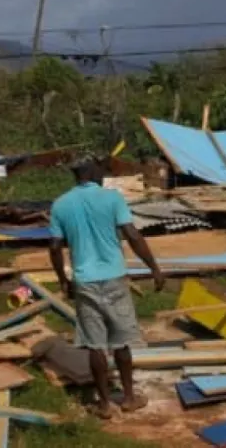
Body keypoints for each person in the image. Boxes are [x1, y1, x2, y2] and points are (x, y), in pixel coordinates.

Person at [48, 157, 165, 419]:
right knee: (121, 341)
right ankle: (129, 398)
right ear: (92, 172)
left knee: (95, 345)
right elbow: (132, 234)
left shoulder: (61, 204)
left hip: (84, 281)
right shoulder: (112, 198)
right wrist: (154, 268)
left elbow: (54, 247)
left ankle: (103, 405)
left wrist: (63, 280)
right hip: (114, 277)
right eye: (100, 170)